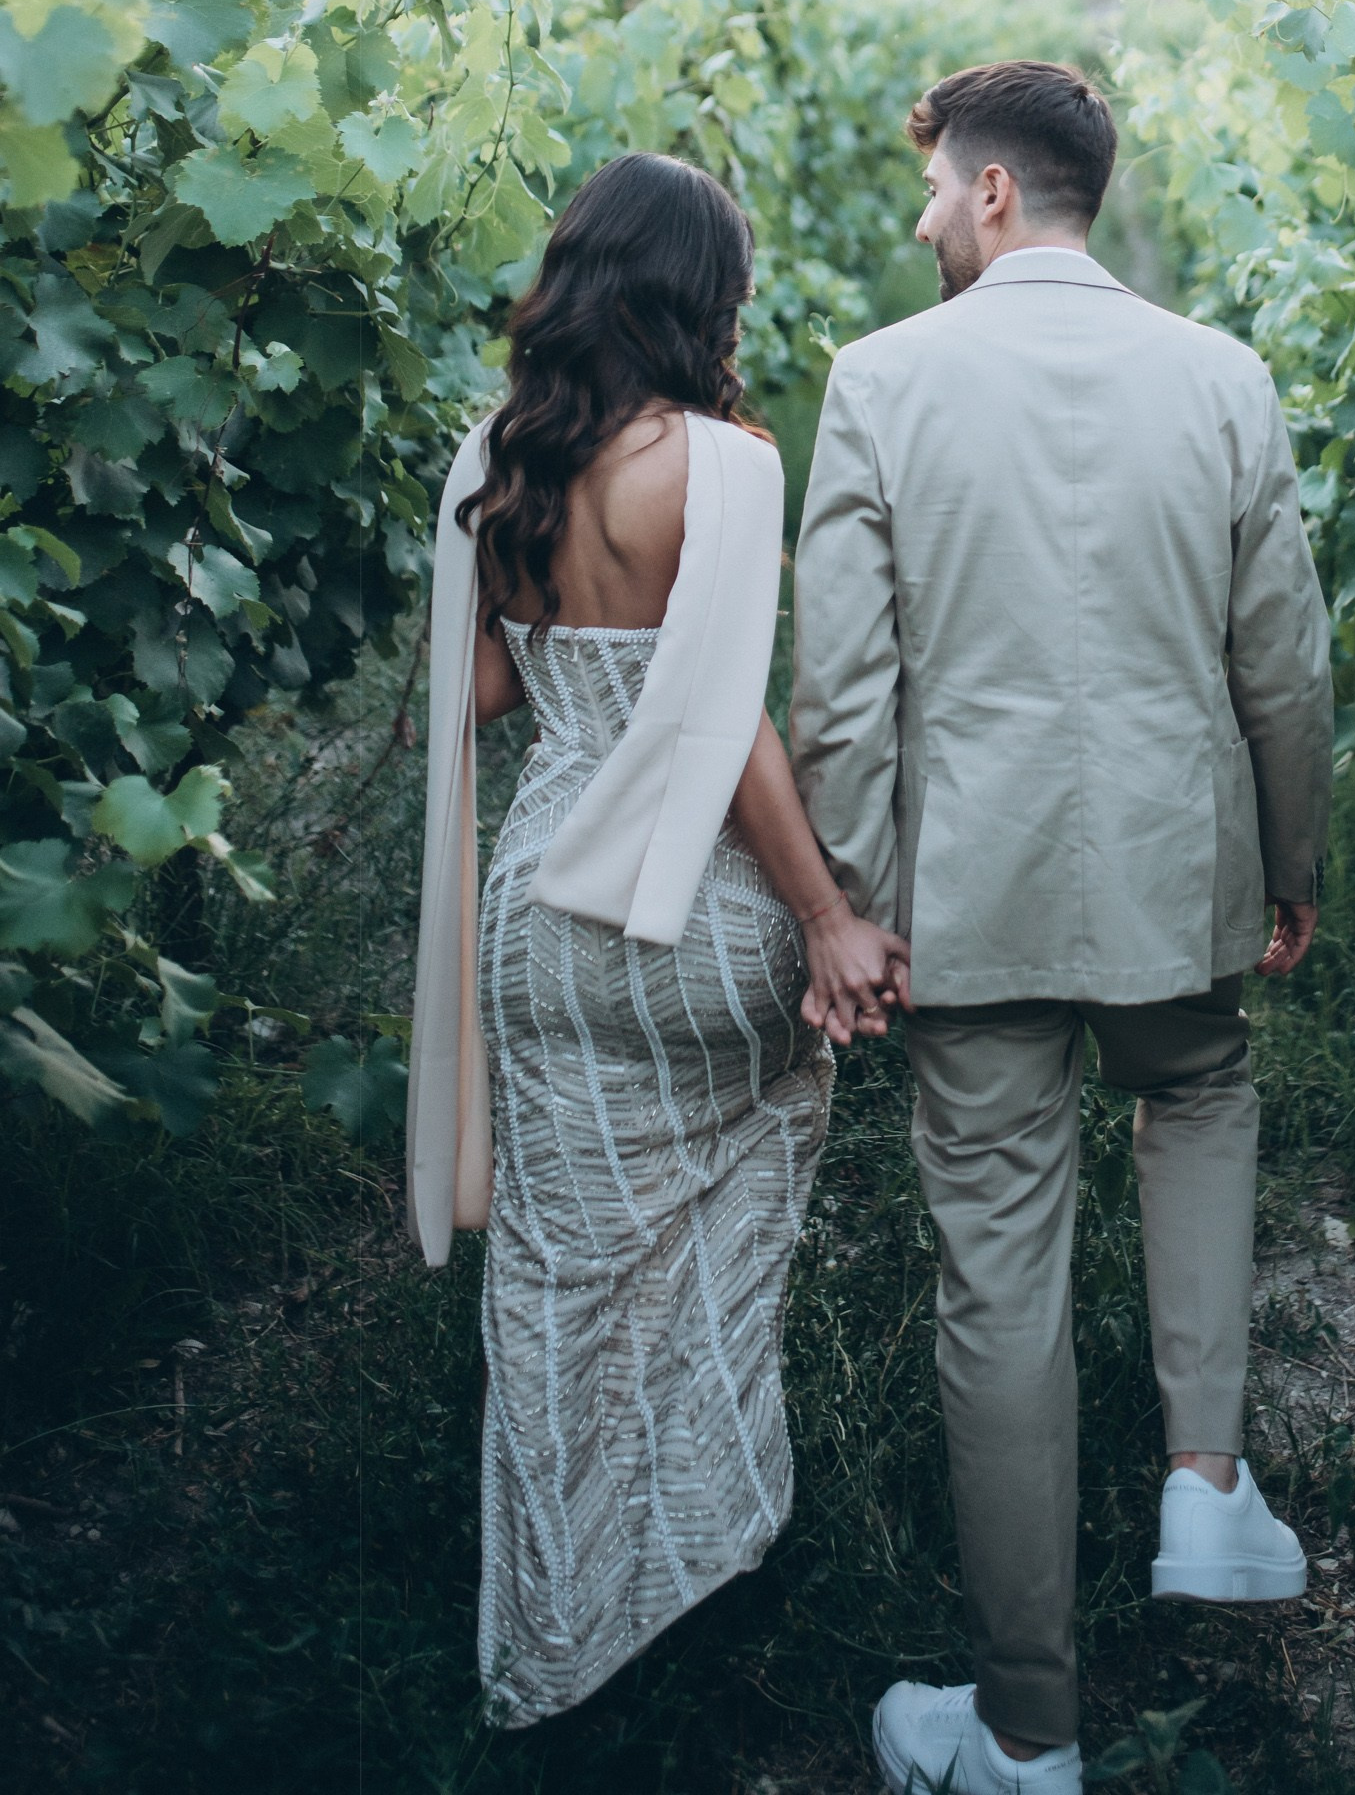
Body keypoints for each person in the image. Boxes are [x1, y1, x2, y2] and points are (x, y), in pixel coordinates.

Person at [790, 62, 1333, 1795]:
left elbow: (841, 693)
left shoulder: (880, 381)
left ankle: (1028, 1728)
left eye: (936, 189)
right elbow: (1284, 663)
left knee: (998, 1277)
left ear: (996, 190)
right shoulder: (1224, 376)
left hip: (972, 897)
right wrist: (1294, 858)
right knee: (1201, 1094)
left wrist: (851, 907)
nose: (923, 220)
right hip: (1179, 877)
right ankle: (1208, 1483)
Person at [405, 151, 906, 1727]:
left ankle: (553, 1633)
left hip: (541, 917)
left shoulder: (503, 459)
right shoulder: (723, 465)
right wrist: (825, 916)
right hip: (695, 911)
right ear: (704, 296)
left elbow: (486, 696)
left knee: (560, 1272)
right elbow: (722, 721)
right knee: (728, 1197)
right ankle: (697, 1542)